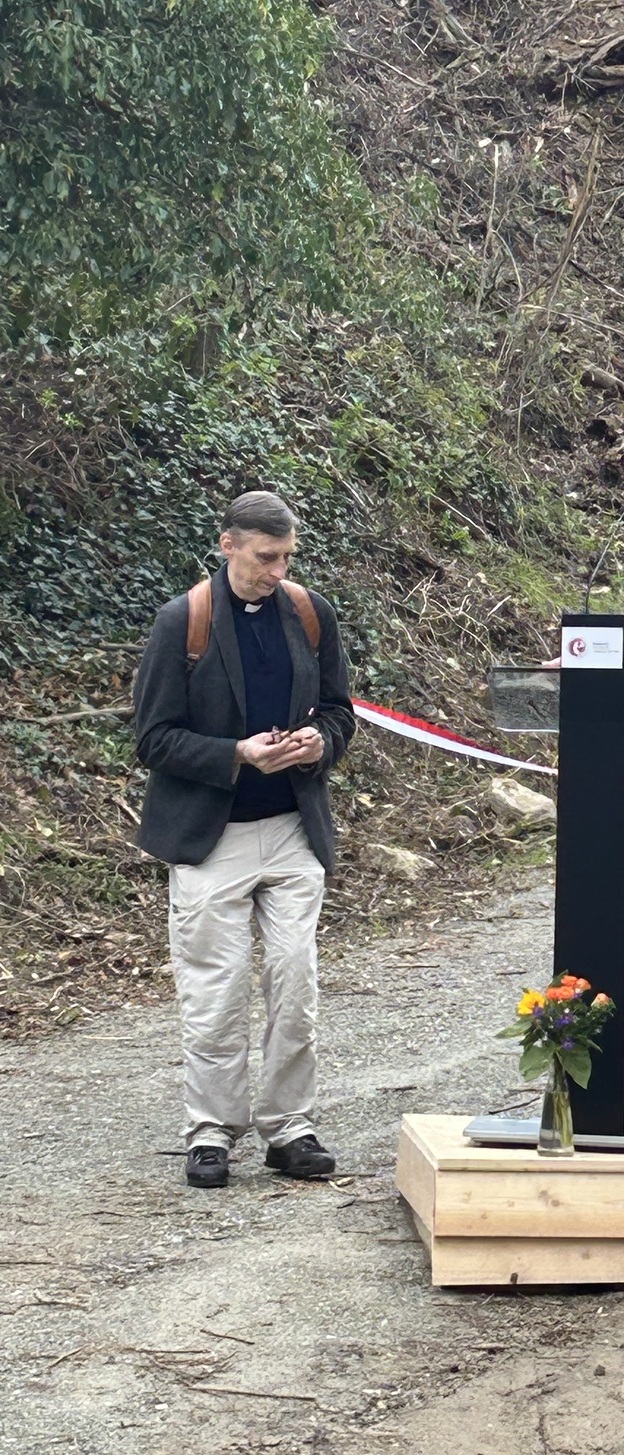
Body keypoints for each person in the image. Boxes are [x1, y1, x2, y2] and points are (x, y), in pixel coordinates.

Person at [134, 491, 355, 1188]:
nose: (277, 571)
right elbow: (153, 738)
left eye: (286, 557)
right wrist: (237, 753)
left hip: (293, 829)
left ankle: (290, 1128)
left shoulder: (311, 613)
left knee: (295, 982)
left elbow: (341, 711)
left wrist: (319, 742)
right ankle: (210, 1132)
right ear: (228, 544)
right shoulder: (183, 621)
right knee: (216, 992)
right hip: (211, 838)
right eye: (266, 557)